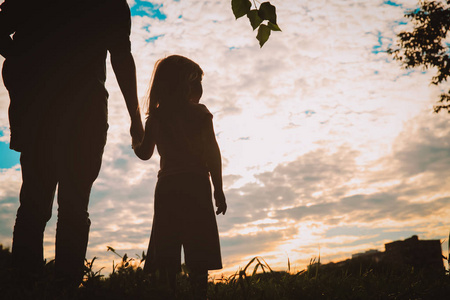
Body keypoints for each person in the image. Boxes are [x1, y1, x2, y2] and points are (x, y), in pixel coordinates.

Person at [0, 0, 144, 287]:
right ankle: (58, 285)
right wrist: (135, 117)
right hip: (72, 112)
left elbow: (121, 57)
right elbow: (121, 57)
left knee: (39, 203)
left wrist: (23, 59)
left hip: (49, 109)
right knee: (66, 206)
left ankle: (31, 284)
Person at [134, 55, 227, 299]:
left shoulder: (156, 117)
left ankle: (167, 291)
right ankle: (199, 293)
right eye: (197, 81)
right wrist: (218, 189)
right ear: (186, 84)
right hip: (196, 184)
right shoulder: (200, 114)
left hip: (167, 187)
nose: (200, 88)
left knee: (166, 247)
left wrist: (136, 139)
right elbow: (212, 153)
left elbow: (144, 154)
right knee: (199, 246)